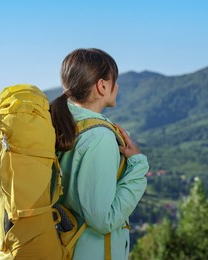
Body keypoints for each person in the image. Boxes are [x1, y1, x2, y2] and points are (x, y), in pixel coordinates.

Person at [50, 48, 149, 259]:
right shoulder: (99, 138)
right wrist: (138, 167)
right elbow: (104, 220)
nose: (118, 86)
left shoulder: (61, 124)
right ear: (102, 86)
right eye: (115, 80)